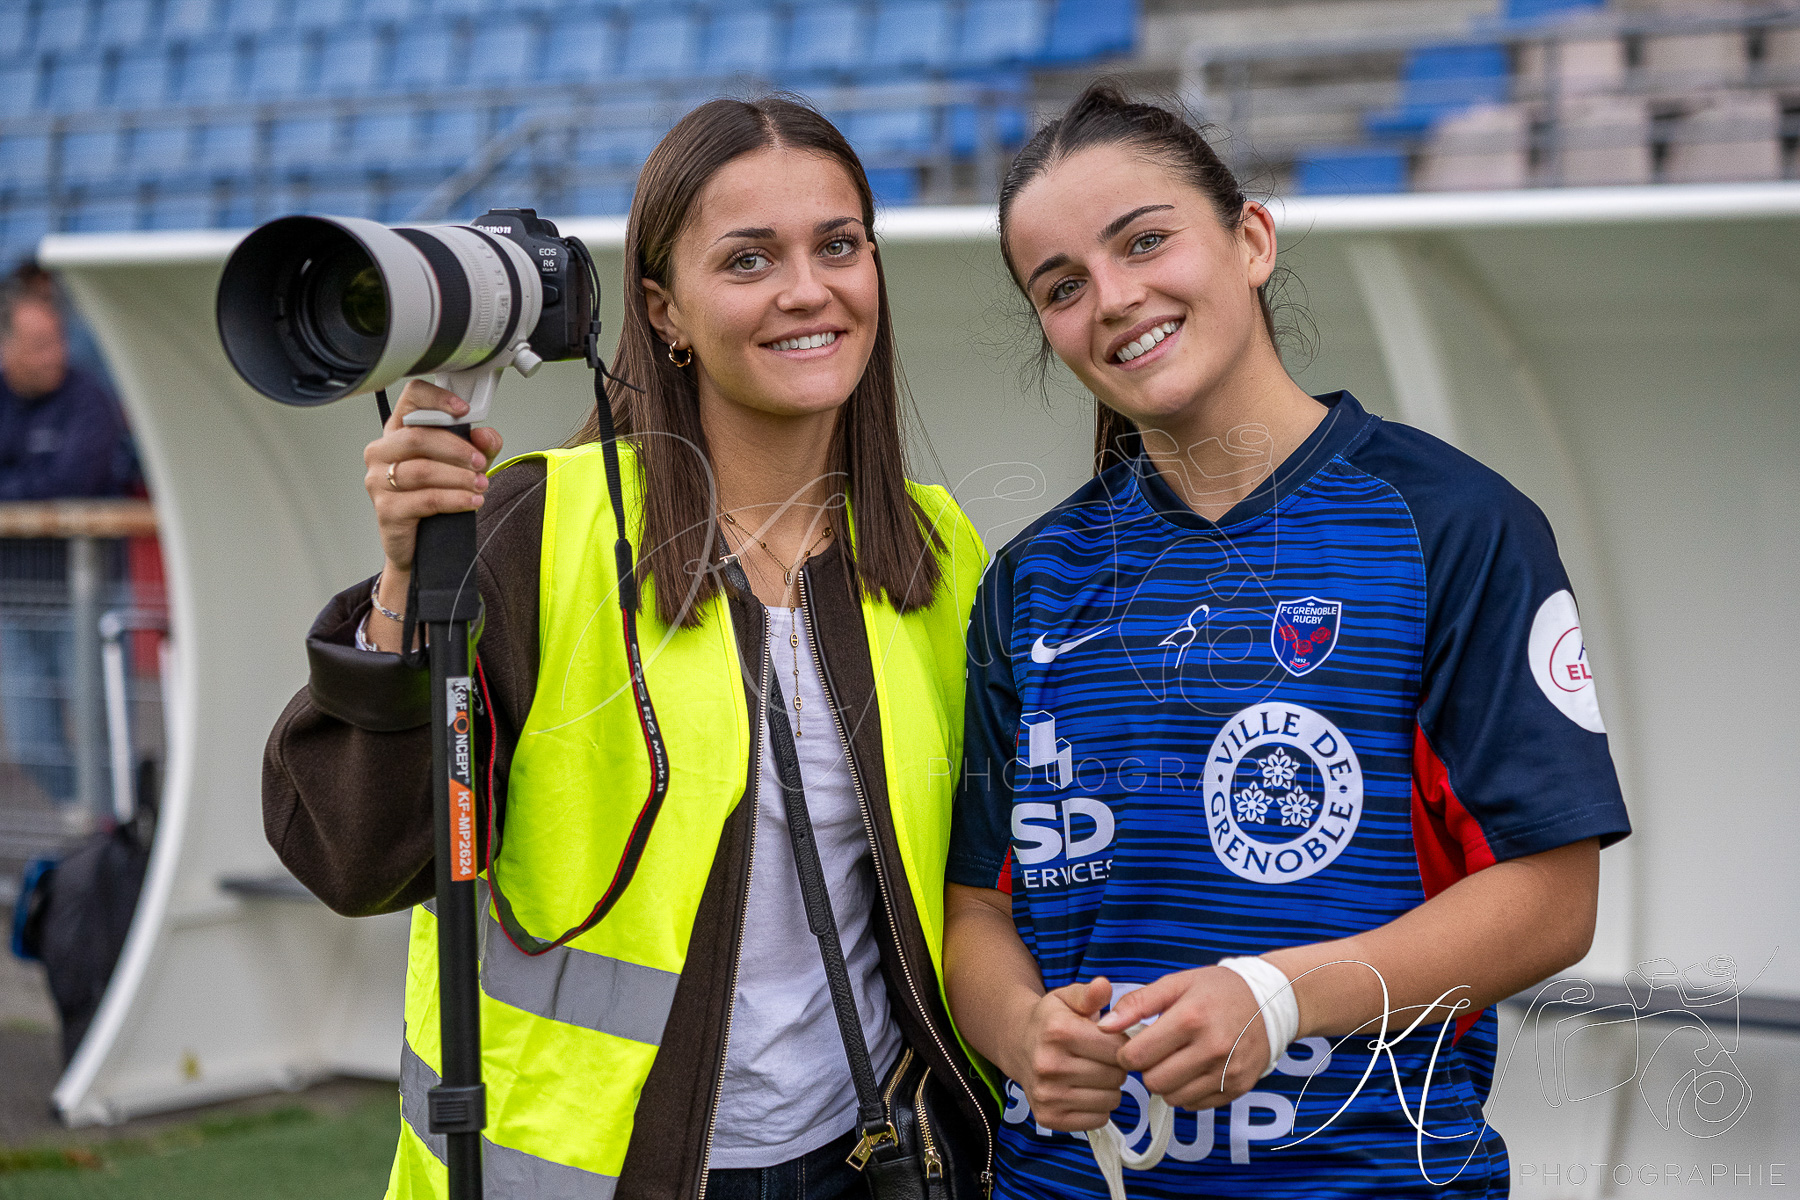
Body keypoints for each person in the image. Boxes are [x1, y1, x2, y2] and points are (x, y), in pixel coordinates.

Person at [263, 96, 996, 1200]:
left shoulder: (939, 549)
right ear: (664, 310)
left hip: (868, 1159)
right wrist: (408, 588)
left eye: (838, 246)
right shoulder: (534, 526)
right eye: (749, 259)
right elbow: (355, 858)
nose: (809, 289)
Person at [942, 84, 1631, 1199]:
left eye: (1146, 241)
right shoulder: (1033, 580)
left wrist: (1278, 996)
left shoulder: (1451, 525)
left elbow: (1554, 899)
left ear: (1251, 240)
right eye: (1062, 286)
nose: (1114, 299)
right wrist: (1022, 1031)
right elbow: (976, 908)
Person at [0, 277, 137, 808]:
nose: (54, 354)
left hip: (89, 597)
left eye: (57, 340)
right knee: (32, 741)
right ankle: (85, 823)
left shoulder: (90, 400)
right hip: (15, 599)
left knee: (105, 729)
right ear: (6, 347)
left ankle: (114, 834)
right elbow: (47, 484)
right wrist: (28, 488)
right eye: (38, 345)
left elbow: (70, 484)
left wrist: (17, 489)